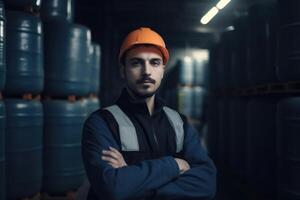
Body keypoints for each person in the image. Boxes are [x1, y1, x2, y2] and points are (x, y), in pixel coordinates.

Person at [81, 27, 216, 200]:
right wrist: (174, 165)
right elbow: (112, 188)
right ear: (123, 70)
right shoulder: (101, 123)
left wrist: (133, 183)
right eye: (136, 63)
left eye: (154, 62)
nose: (147, 72)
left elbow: (207, 183)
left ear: (162, 71)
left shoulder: (179, 123)